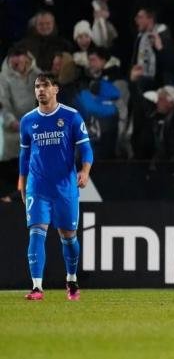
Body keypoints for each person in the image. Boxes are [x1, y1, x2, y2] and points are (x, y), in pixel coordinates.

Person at [18, 73, 93, 300]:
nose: (40, 90)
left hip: (65, 187)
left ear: (55, 89)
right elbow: (24, 154)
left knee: (68, 236)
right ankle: (37, 287)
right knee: (36, 233)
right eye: (37, 86)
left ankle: (71, 279)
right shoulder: (28, 120)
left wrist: (85, 171)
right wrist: (22, 181)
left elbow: (87, 149)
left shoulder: (71, 116)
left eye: (45, 86)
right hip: (38, 187)